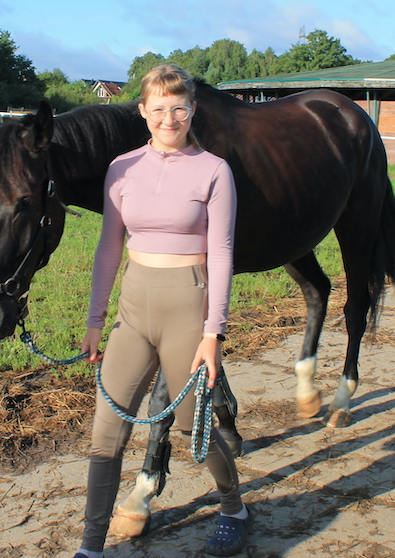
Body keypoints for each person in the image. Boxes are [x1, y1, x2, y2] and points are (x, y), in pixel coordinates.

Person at [73, 65, 250, 557]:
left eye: (179, 108)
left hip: (187, 310)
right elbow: (109, 247)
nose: (169, 118)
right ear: (142, 111)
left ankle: (234, 508)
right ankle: (91, 546)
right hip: (134, 312)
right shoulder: (122, 168)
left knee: (195, 425)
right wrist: (94, 321)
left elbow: (223, 253)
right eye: (158, 109)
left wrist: (213, 334)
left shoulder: (214, 170)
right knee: (106, 433)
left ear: (192, 109)